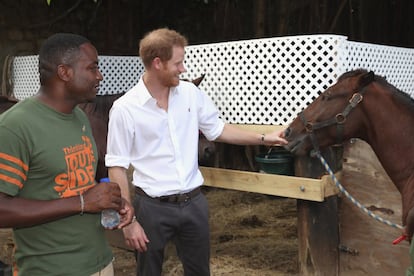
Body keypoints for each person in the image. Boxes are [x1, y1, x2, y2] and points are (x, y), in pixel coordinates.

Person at [105, 27, 288, 276]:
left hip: (194, 204)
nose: (183, 69)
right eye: (178, 63)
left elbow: (218, 129)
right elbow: (116, 166)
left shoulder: (190, 93)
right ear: (157, 63)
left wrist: (264, 138)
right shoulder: (125, 109)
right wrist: (129, 221)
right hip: (151, 209)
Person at [0, 33, 134, 275]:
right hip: (50, 270)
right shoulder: (15, 126)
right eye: (92, 68)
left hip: (100, 264)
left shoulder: (79, 117)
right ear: (64, 73)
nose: (100, 75)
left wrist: (110, 201)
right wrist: (82, 203)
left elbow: (75, 182)